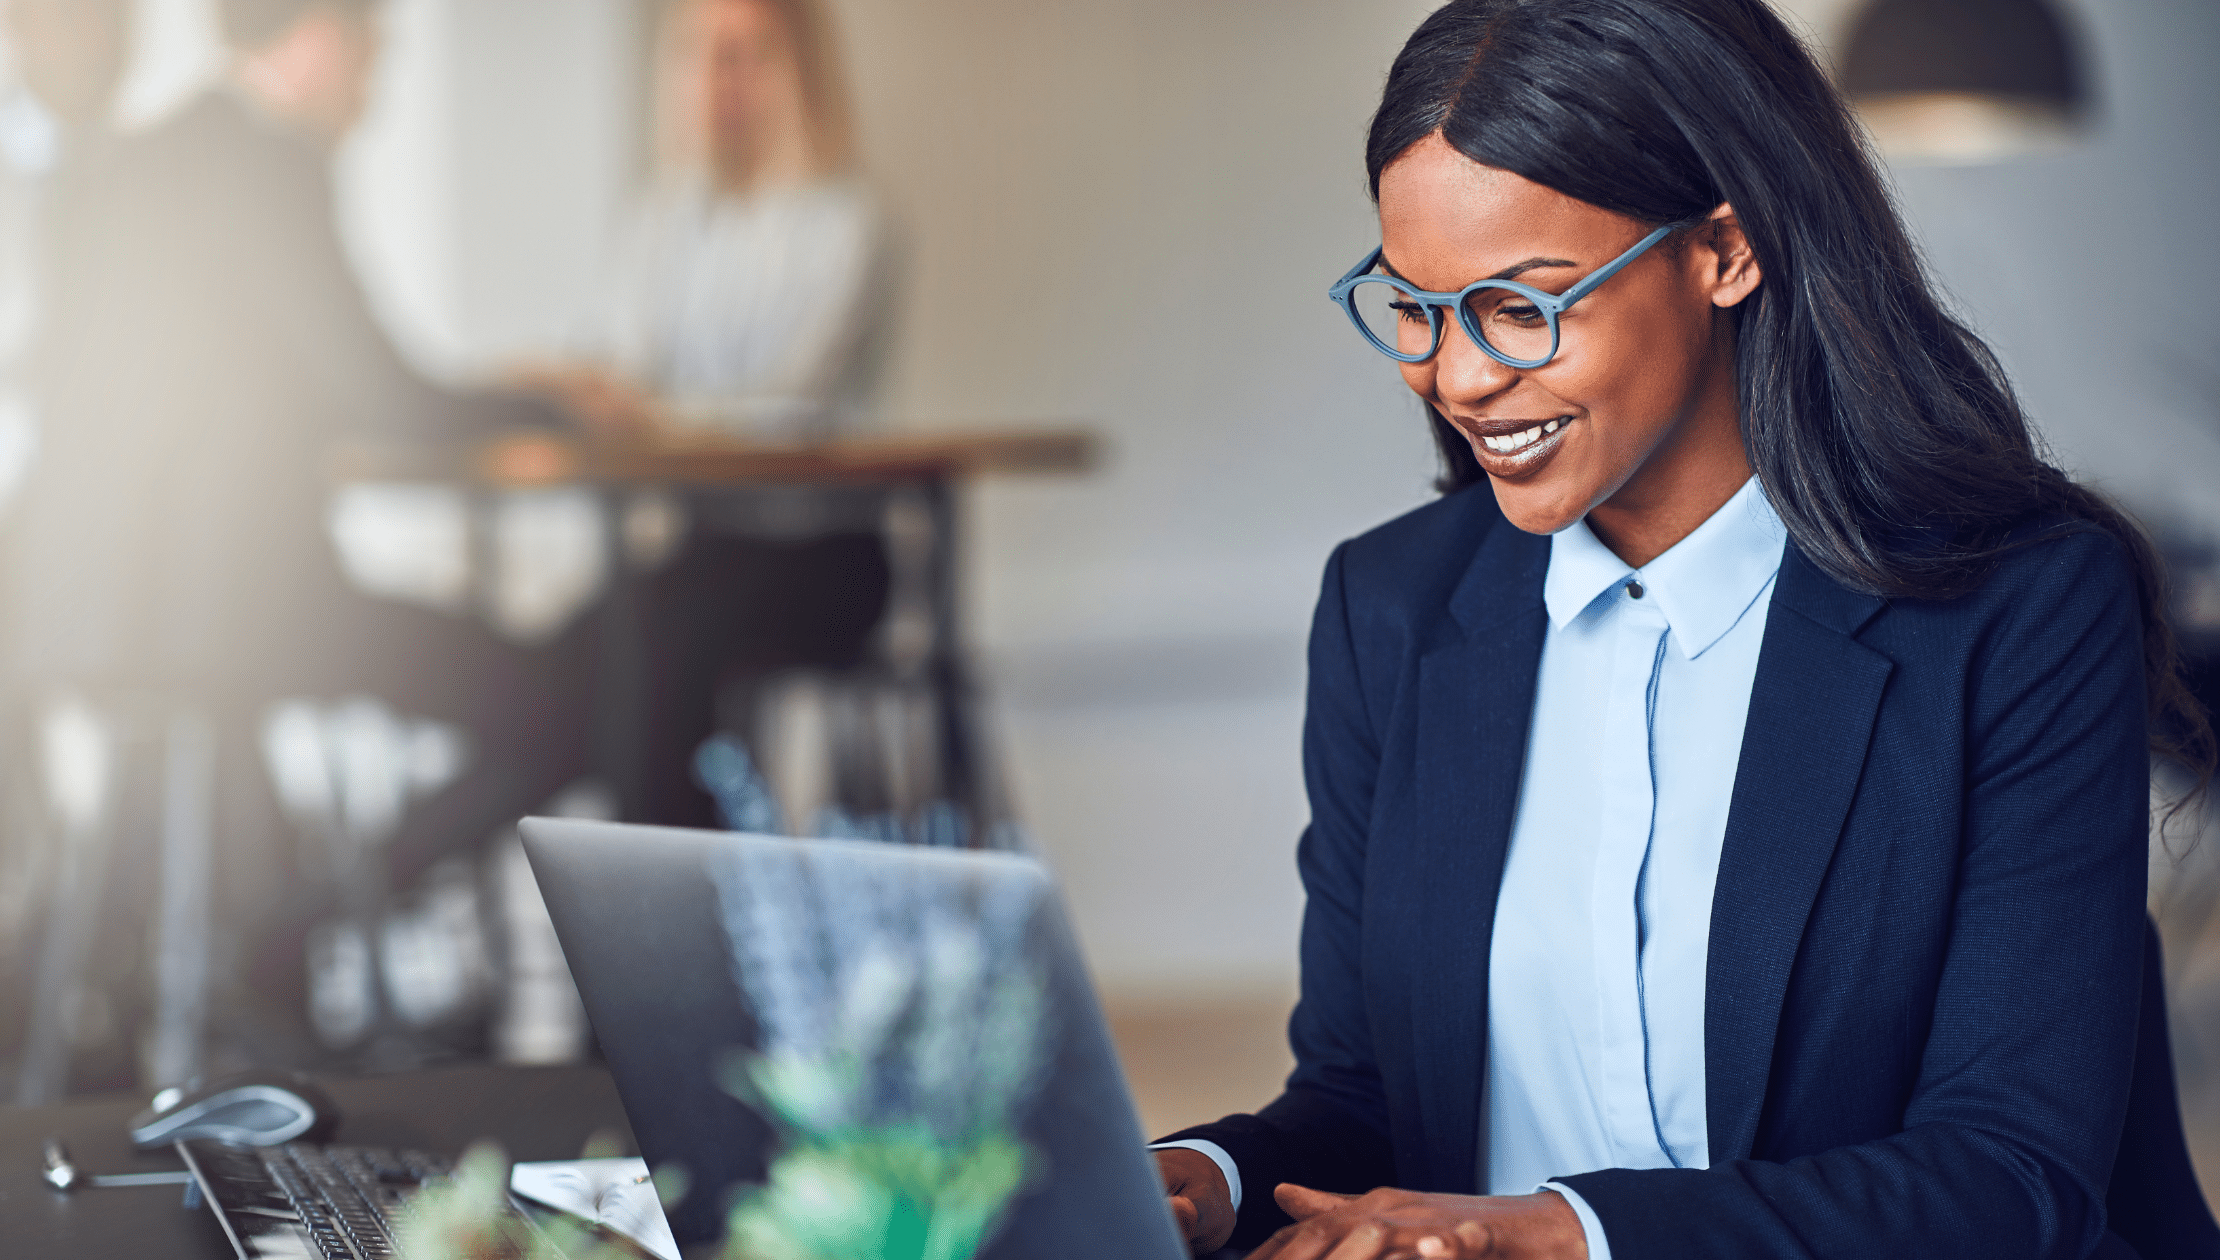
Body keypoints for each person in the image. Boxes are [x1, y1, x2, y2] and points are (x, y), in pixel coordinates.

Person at [1148, 2, 2220, 1258]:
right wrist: (1198, 1176)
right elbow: (1369, 1104)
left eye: (1521, 306)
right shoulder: (1392, 611)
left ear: (1727, 248)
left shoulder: (2019, 609)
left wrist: (1561, 1235)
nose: (1458, 376)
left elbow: (2008, 1176)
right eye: (1417, 307)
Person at [520, 0, 895, 829]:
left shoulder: (847, 223)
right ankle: (356, 884)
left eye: (748, 54)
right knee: (557, 672)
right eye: (701, 55)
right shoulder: (663, 219)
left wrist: (640, 409)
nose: (722, 82)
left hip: (819, 557)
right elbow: (616, 362)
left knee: (641, 659)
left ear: (798, 70)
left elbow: (794, 404)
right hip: (701, 552)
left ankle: (679, 923)